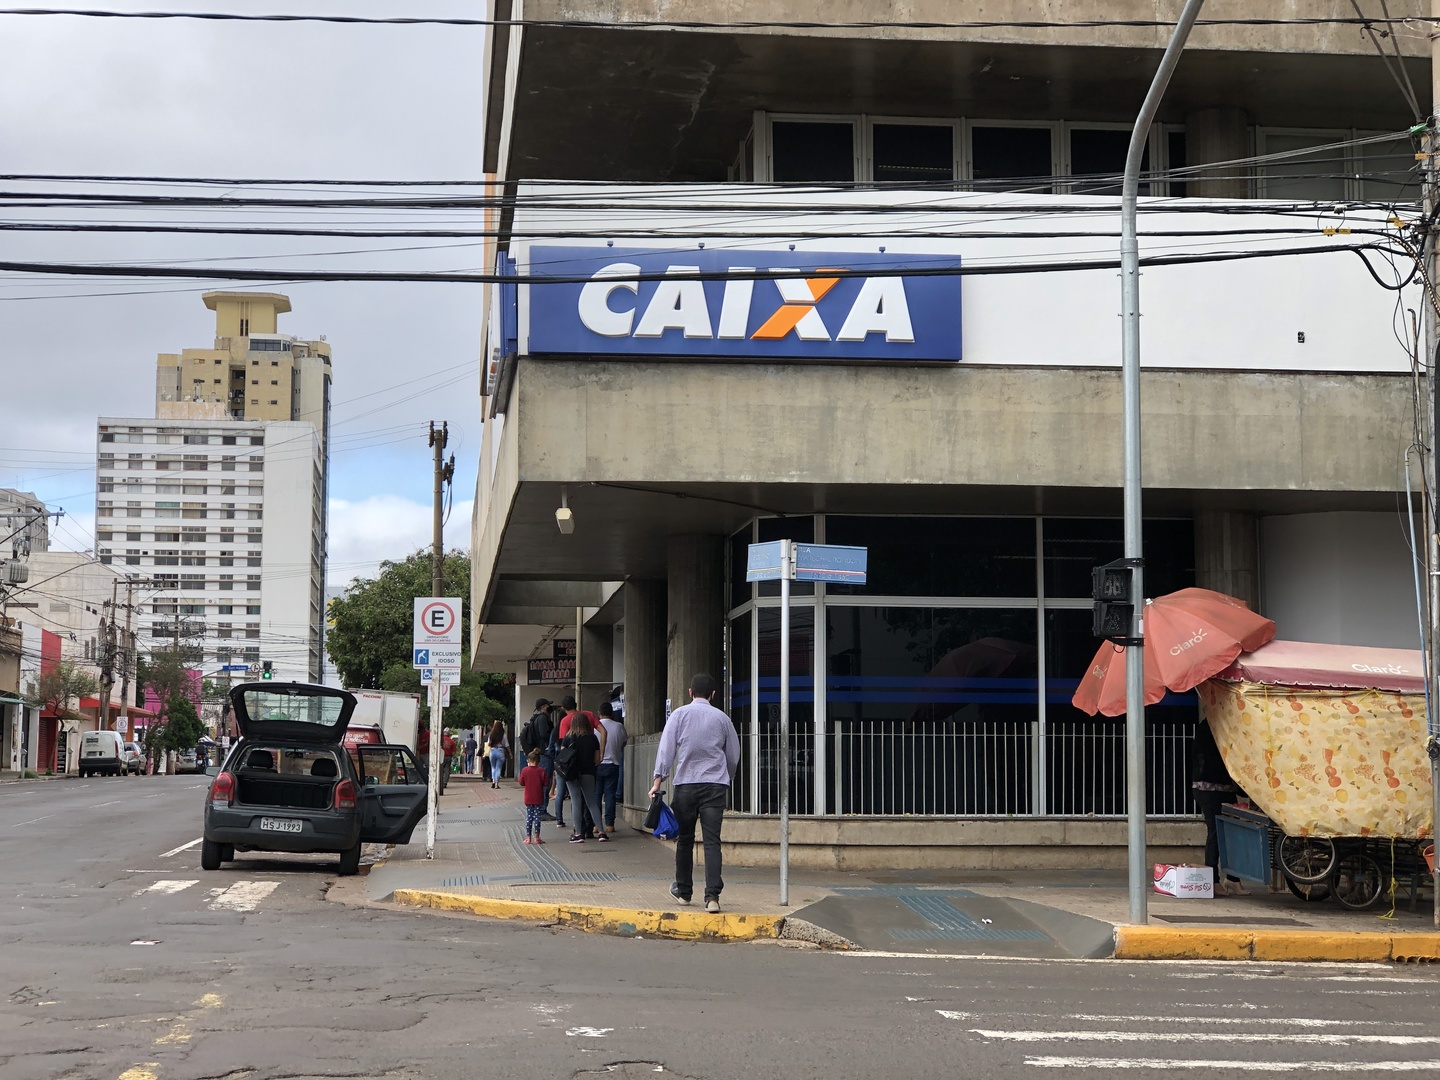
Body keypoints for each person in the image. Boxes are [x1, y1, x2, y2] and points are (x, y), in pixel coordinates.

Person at [650, 672, 740, 913]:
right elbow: (733, 754)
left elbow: (666, 749)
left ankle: (684, 891)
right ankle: (712, 898)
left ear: (690, 692)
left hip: (686, 786)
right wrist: (727, 776)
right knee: (712, 842)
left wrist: (658, 780)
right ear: (713, 694)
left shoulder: (679, 715)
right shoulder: (722, 719)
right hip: (714, 787)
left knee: (685, 841)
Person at [1191, 717, 1247, 897]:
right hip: (1209, 788)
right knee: (1215, 832)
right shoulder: (1210, 728)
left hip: (1221, 788)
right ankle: (1213, 880)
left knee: (1232, 834)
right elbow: (1215, 761)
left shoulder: (1218, 724)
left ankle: (1233, 878)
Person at [560, 712, 608, 844]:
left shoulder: (568, 738)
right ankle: (602, 832)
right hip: (588, 772)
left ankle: (578, 833)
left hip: (572, 773)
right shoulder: (592, 738)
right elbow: (597, 759)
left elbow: (562, 756)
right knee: (591, 802)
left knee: (576, 802)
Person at [519, 699, 556, 817]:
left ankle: (539, 810)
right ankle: (542, 810)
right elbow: (544, 734)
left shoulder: (535, 718)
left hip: (540, 753)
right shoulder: (542, 719)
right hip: (544, 754)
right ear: (544, 707)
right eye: (548, 706)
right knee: (545, 782)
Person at [596, 701, 627, 833]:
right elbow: (624, 742)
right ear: (612, 713)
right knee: (610, 795)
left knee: (596, 795)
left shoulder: (595, 727)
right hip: (613, 764)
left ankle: (596, 824)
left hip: (597, 765)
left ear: (599, 713)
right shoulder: (619, 726)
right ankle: (609, 824)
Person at [518, 748, 547, 844]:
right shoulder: (541, 771)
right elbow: (547, 782)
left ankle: (528, 837)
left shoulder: (525, 770)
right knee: (537, 818)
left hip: (528, 798)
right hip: (538, 798)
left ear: (529, 760)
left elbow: (521, 782)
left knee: (529, 818)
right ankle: (537, 837)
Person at [486, 720, 509, 788]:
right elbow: (507, 745)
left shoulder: (491, 734)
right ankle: (497, 784)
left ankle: (493, 781)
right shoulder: (503, 735)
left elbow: (488, 744)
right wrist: (510, 753)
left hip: (492, 751)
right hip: (500, 751)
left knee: (493, 767)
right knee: (498, 768)